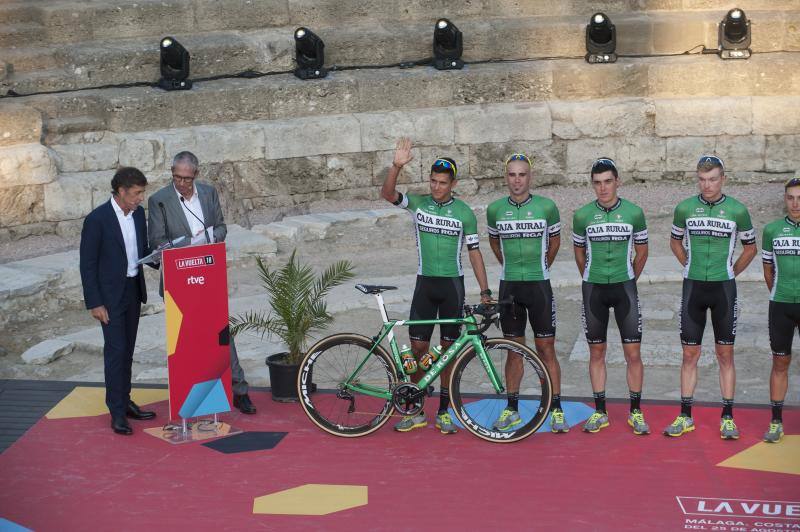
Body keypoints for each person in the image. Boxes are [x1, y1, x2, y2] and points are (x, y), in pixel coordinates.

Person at [381, 137, 492, 435]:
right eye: (433, 181)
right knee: (418, 349)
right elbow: (387, 193)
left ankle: (443, 410)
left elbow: (474, 253)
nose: (436, 187)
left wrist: (485, 291)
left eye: (442, 183)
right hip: (425, 285)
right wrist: (396, 166)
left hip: (452, 286)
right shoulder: (418, 204)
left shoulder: (464, 213)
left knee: (447, 352)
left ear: (453, 184)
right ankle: (416, 408)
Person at [147, 151, 256, 415]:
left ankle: (239, 390)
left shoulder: (207, 194)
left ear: (195, 174)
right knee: (186, 338)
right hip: (178, 281)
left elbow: (221, 228)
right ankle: (190, 395)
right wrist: (181, 244)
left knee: (221, 335)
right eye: (176, 177)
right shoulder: (159, 200)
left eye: (186, 178)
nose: (181, 184)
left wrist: (206, 236)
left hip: (209, 277)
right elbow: (157, 242)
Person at [664, 155, 756, 440]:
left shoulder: (738, 211)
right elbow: (674, 241)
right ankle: (685, 416)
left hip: (723, 289)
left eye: (713, 179)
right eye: (702, 180)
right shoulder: (685, 208)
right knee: (689, 353)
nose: (707, 185)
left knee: (724, 354)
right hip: (693, 287)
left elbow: (750, 248)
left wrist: (731, 272)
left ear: (723, 179)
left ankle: (727, 417)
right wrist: (687, 265)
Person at [486, 153, 569, 433]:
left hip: (538, 286)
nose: (517, 180)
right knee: (513, 351)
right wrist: (510, 267)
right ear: (505, 178)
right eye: (512, 175)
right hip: (509, 287)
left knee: (546, 348)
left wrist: (542, 266)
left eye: (522, 174)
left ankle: (556, 408)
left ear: (530, 177)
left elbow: (555, 241)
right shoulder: (495, 209)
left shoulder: (547, 207)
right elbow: (494, 243)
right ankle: (512, 408)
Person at [572, 157, 650, 435]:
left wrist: (629, 277)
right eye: (597, 183)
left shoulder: (634, 213)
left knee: (633, 353)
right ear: (592, 185)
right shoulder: (582, 216)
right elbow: (579, 252)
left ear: (617, 181)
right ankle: (600, 411)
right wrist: (590, 275)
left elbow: (642, 251)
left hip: (624, 287)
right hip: (593, 288)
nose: (603, 188)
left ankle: (636, 411)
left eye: (607, 182)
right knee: (597, 351)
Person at [79, 167, 156, 435]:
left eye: (141, 193)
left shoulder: (138, 215)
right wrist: (95, 303)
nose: (140, 198)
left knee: (128, 351)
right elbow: (87, 265)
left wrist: (159, 256)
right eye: (136, 193)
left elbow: (143, 251)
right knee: (116, 352)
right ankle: (116, 411)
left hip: (133, 291)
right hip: (109, 298)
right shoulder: (97, 219)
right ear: (121, 191)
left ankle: (126, 401)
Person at [759, 177, 800, 443]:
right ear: (784, 199)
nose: (795, 203)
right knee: (780, 362)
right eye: (790, 198)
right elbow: (768, 270)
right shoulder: (772, 230)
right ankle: (776, 422)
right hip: (781, 305)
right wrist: (780, 293)